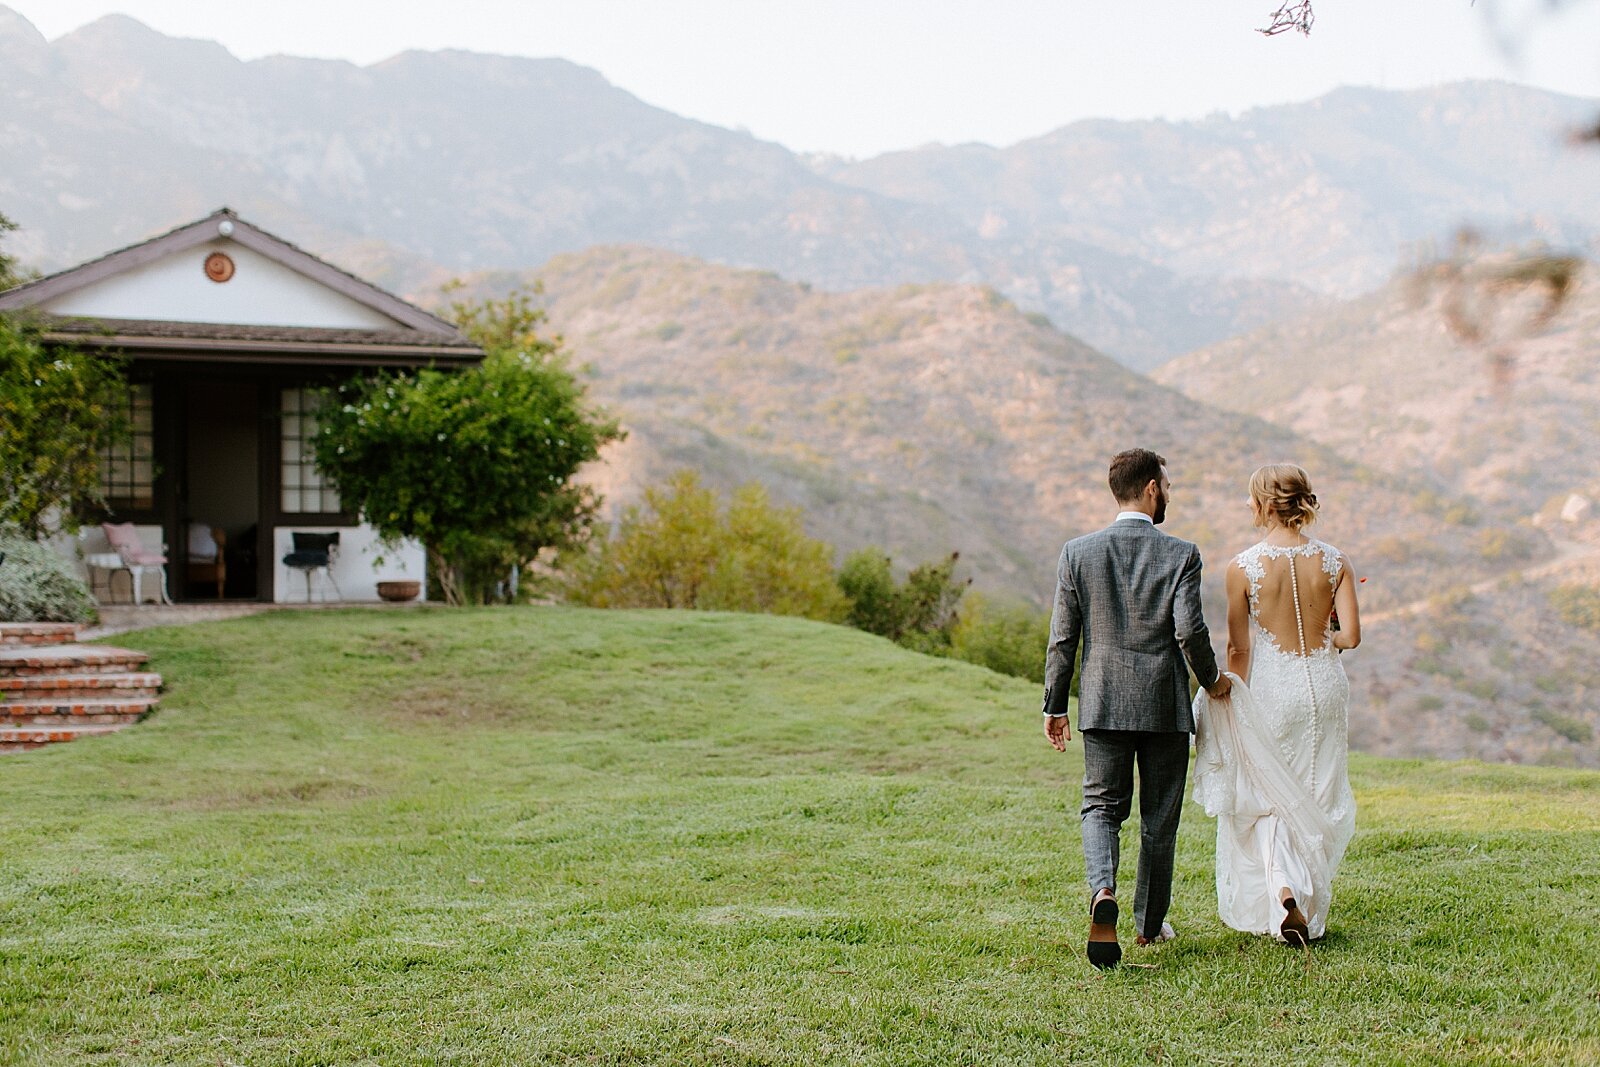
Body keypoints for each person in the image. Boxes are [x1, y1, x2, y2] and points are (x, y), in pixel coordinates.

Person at [1042, 448, 1230, 969]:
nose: (1167, 493)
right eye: (1165, 485)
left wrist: (1054, 705)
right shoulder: (1182, 554)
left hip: (1101, 701)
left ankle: (1103, 892)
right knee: (1158, 818)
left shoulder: (1076, 553)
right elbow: (1190, 631)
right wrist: (1212, 682)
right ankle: (1148, 925)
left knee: (1101, 807)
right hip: (1162, 706)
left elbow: (1063, 640)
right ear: (1151, 488)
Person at [1192, 464, 1360, 953]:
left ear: (1266, 504)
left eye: (1250, 498)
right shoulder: (1337, 561)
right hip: (1326, 688)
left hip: (1271, 689)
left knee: (1267, 793)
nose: (1248, 506)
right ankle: (1301, 898)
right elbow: (1350, 636)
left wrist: (1229, 697)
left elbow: (1239, 650)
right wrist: (1327, 630)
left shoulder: (1243, 567)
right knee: (1316, 791)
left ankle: (1284, 891)